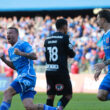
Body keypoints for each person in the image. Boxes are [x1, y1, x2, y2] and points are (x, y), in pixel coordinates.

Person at [0, 27, 58, 110]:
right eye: (7, 33)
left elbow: (34, 56)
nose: (8, 35)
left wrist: (20, 53)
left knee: (7, 93)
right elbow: (15, 66)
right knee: (29, 106)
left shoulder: (23, 44)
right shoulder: (10, 50)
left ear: (17, 35)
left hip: (27, 76)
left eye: (11, 33)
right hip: (24, 77)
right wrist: (4, 60)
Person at [44, 19, 76, 110]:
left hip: (49, 70)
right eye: (67, 26)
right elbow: (71, 54)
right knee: (68, 95)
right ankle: (59, 108)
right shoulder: (65, 37)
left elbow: (46, 56)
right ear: (64, 26)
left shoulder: (47, 39)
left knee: (50, 96)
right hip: (61, 70)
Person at [94, 9, 110, 101]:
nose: (97, 21)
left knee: (101, 94)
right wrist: (101, 67)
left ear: (103, 20)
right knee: (101, 95)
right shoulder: (105, 35)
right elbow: (107, 54)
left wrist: (104, 64)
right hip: (109, 71)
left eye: (98, 19)